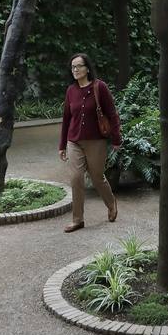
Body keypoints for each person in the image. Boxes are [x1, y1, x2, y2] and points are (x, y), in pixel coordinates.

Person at [58, 52, 121, 232]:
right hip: (74, 141)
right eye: (73, 67)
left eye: (78, 66)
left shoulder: (99, 87)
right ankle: (77, 219)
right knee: (76, 178)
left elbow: (112, 115)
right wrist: (62, 145)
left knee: (97, 177)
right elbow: (66, 119)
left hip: (96, 141)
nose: (75, 70)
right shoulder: (71, 91)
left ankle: (111, 203)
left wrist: (116, 139)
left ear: (87, 68)